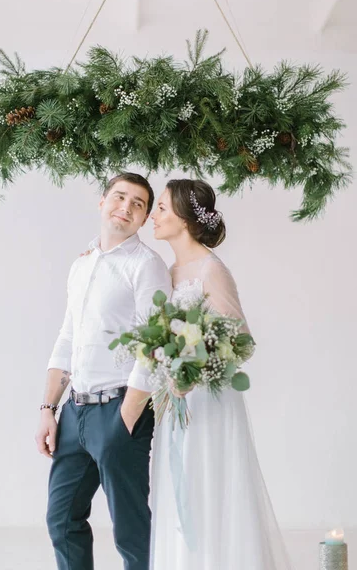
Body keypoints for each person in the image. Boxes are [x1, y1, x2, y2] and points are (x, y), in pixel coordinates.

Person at [148, 179, 292, 570]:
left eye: (161, 208)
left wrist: (193, 373)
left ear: (184, 217)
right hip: (174, 403)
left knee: (208, 486)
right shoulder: (167, 270)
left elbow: (242, 340)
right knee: (180, 494)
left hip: (208, 401)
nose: (153, 215)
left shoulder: (211, 270)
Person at [35, 172, 172, 570]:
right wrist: (48, 408)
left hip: (119, 410)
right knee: (61, 519)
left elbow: (154, 346)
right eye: (119, 197)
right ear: (102, 201)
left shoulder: (147, 266)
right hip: (74, 410)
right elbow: (67, 337)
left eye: (138, 204)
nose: (125, 208)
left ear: (145, 218)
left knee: (130, 530)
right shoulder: (83, 264)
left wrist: (125, 419)